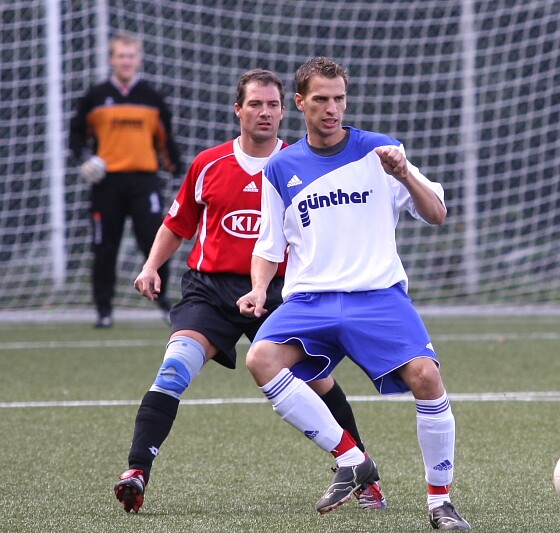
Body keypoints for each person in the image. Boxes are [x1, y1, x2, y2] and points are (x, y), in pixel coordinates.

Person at [113, 69, 387, 513]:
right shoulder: (209, 164)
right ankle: (137, 471)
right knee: (174, 369)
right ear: (238, 110)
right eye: (255, 104)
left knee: (316, 379)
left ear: (286, 109)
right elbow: (178, 224)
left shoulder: (300, 163)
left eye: (272, 105)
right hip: (210, 290)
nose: (265, 113)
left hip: (280, 292)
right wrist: (150, 266)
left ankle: (361, 472)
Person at [237, 57, 471, 531]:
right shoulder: (281, 167)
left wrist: (404, 175)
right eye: (321, 99)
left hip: (377, 296)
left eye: (339, 98)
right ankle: (351, 458)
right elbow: (269, 245)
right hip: (310, 301)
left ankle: (441, 502)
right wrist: (259, 289)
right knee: (260, 359)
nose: (332, 108)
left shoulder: (382, 152)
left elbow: (438, 213)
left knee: (427, 377)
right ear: (300, 102)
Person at [68, 32, 181, 328]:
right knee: (104, 246)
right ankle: (104, 310)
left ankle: (162, 300)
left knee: (154, 242)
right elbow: (76, 135)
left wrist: (176, 171)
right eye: (120, 56)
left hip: (145, 182)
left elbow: (166, 140)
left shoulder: (152, 98)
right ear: (112, 60)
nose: (126, 61)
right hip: (107, 184)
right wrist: (85, 158)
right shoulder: (95, 97)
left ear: (138, 60)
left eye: (131, 56)